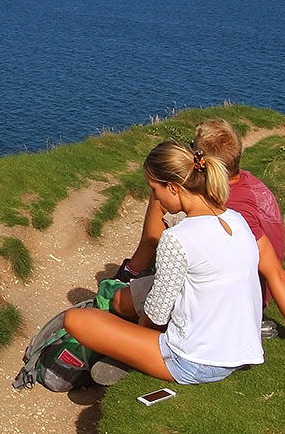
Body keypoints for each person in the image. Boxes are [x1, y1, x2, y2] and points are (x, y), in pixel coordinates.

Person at [113, 119, 285, 371]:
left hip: (218, 301)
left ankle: (132, 276)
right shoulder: (253, 188)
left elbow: (153, 238)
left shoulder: (232, 208)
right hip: (250, 298)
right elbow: (276, 272)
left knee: (120, 301)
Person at [62, 140, 266, 385]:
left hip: (195, 361)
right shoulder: (236, 220)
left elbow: (156, 314)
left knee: (76, 320)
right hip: (240, 351)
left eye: (154, 189)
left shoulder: (177, 237)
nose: (156, 198)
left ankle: (129, 361)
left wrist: (136, 340)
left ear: (172, 187)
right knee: (127, 306)